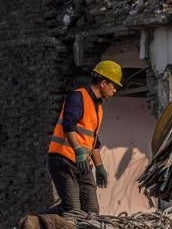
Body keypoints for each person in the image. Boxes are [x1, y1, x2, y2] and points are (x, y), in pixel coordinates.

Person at [46, 60, 122, 214]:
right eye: (113, 85)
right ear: (103, 83)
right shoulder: (77, 96)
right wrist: (79, 151)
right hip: (63, 160)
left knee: (92, 211)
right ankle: (35, 222)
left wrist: (99, 166)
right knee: (73, 209)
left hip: (82, 163)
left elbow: (93, 141)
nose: (114, 90)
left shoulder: (98, 109)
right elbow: (69, 125)